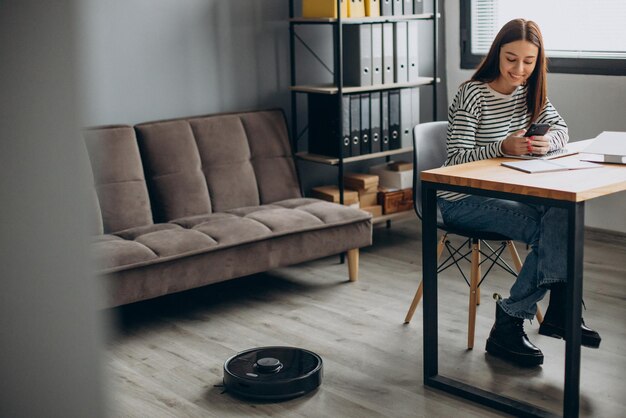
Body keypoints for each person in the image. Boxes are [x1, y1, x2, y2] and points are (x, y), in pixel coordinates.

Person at [438, 18, 601, 367]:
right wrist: (502, 147)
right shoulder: (472, 93)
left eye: (529, 61)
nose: (519, 69)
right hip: (461, 199)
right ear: (497, 53)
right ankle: (530, 315)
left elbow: (561, 129)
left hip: (508, 189)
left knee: (562, 210)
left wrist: (546, 142)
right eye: (511, 59)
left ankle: (545, 314)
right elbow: (454, 162)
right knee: (555, 231)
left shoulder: (530, 92)